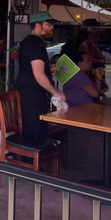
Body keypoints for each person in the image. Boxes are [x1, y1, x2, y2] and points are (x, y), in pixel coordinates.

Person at [15, 11, 66, 145]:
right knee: (35, 132)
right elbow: (38, 74)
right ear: (38, 25)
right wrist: (55, 92)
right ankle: (31, 157)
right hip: (32, 95)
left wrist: (48, 69)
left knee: (30, 129)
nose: (52, 27)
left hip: (27, 92)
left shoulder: (28, 41)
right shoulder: (35, 44)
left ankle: (29, 156)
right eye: (48, 24)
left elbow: (31, 67)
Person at [78, 29, 108, 94]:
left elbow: (100, 55)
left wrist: (102, 59)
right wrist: (100, 61)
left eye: (96, 37)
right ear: (89, 36)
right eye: (94, 36)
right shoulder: (84, 45)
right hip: (88, 68)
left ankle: (101, 85)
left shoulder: (92, 45)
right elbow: (89, 59)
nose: (95, 38)